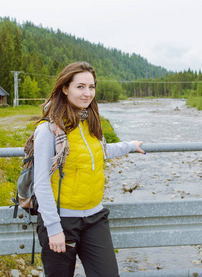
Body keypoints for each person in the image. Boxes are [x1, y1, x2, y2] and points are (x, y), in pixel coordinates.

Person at [34, 61, 145, 276]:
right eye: (80, 87)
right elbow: (41, 182)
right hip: (61, 220)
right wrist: (53, 229)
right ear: (65, 89)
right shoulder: (49, 129)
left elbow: (101, 151)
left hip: (94, 217)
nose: (87, 93)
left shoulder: (91, 122)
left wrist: (131, 145)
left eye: (91, 87)